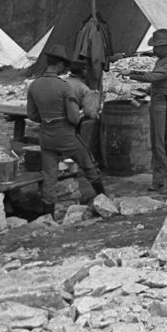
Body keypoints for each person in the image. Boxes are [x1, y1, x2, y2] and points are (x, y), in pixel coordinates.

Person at [26, 43, 105, 211]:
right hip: (65, 134)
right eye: (64, 65)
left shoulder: (34, 85)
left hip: (46, 135)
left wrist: (47, 118)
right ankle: (104, 200)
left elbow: (32, 115)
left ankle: (48, 215)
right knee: (88, 163)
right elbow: (74, 117)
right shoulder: (64, 87)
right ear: (60, 64)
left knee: (49, 177)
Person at [127, 28, 167, 192]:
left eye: (156, 46)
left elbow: (153, 77)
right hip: (158, 102)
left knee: (162, 146)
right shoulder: (162, 60)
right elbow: (159, 82)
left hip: (165, 104)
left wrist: (131, 72)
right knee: (157, 146)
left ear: (165, 46)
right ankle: (158, 181)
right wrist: (146, 91)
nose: (153, 49)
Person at [66, 55, 102, 165]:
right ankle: (88, 158)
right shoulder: (83, 88)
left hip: (54, 118)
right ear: (84, 72)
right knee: (92, 123)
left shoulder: (62, 82)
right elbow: (89, 112)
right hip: (70, 120)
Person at [74, 11, 114, 91]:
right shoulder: (93, 27)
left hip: (91, 64)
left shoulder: (93, 27)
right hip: (91, 64)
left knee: (91, 88)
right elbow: (95, 52)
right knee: (92, 89)